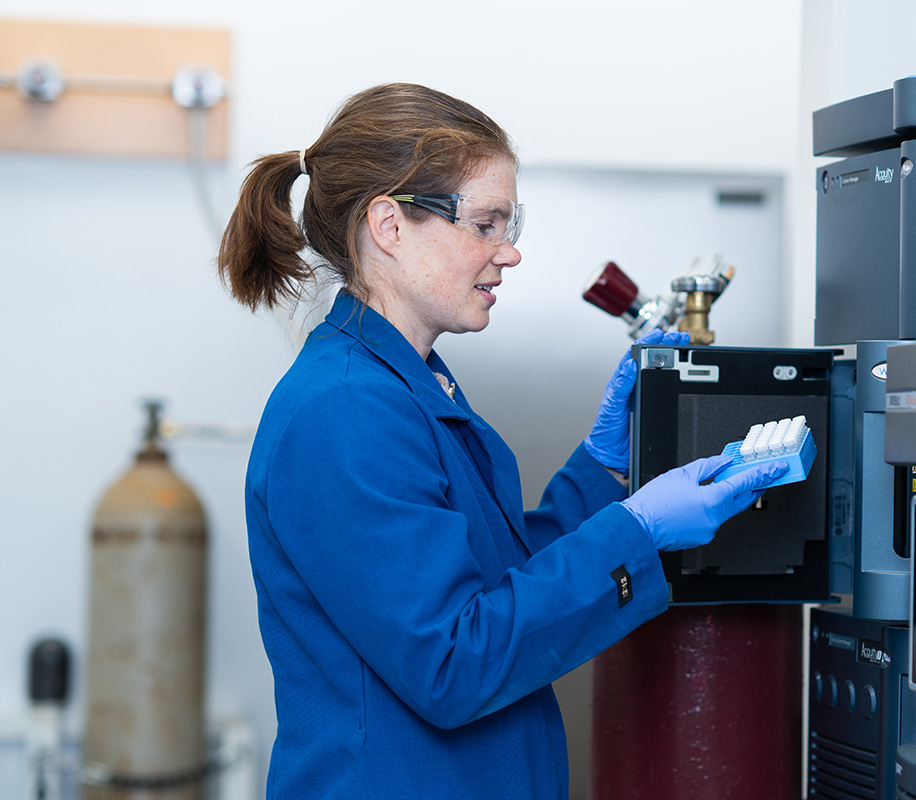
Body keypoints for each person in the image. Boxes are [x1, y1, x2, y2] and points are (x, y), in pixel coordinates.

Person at [216, 83, 787, 799]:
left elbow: (494, 584)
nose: (508, 252)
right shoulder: (345, 411)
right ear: (389, 225)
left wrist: (603, 471)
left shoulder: (408, 385)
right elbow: (454, 661)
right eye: (485, 224)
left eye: (508, 224)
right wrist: (638, 532)